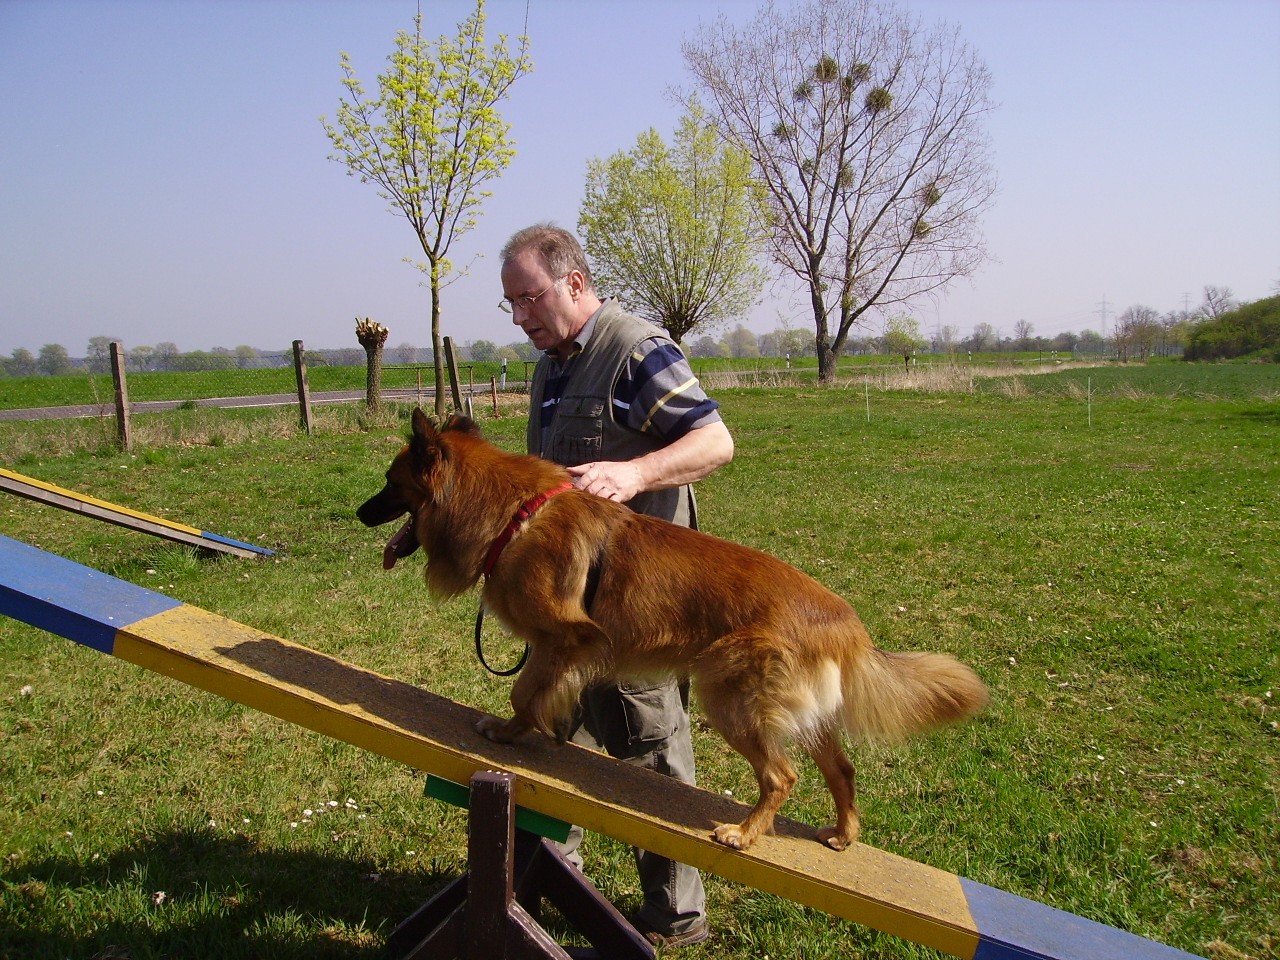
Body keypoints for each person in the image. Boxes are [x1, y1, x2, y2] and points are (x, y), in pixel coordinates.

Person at [499, 223, 734, 949]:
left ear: (574, 283)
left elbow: (715, 440)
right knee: (544, 736)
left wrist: (635, 473)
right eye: (511, 304)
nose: (520, 317)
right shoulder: (551, 368)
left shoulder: (635, 351)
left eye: (530, 298)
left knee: (650, 751)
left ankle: (675, 916)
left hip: (640, 611)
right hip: (566, 610)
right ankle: (545, 881)